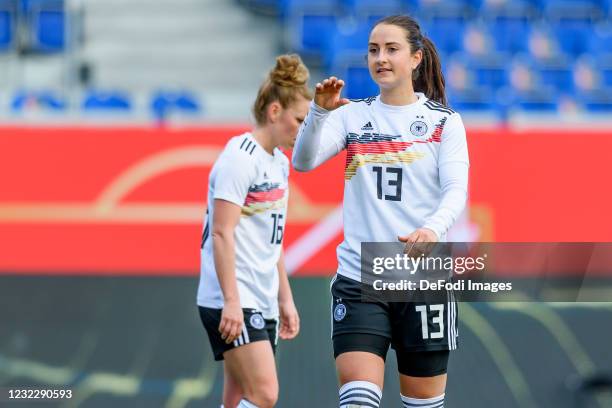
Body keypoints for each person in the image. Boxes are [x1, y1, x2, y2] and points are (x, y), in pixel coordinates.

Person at [292, 15, 469, 408]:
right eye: (374, 50)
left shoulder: (445, 123)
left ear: (416, 58)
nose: (380, 58)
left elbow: (456, 190)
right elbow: (302, 163)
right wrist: (319, 113)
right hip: (359, 277)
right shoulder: (351, 116)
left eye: (391, 49)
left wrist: (433, 230)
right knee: (357, 402)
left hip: (422, 279)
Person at [197, 54, 312, 408]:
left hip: (261, 297)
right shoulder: (239, 157)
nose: (302, 130)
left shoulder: (278, 163)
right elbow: (221, 233)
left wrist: (285, 297)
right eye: (299, 120)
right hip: (234, 298)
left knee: (237, 397)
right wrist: (232, 301)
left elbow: (271, 241)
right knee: (265, 394)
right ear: (274, 112)